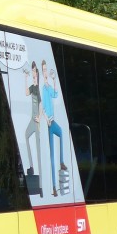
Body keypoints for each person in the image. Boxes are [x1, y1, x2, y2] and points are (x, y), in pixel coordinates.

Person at [41, 60, 66, 196]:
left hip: (53, 121)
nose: (45, 72)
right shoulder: (43, 89)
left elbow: (56, 94)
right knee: (51, 156)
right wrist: (47, 120)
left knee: (61, 132)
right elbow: (43, 107)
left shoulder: (48, 86)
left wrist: (54, 80)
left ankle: (62, 162)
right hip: (49, 123)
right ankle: (54, 188)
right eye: (43, 70)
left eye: (46, 70)